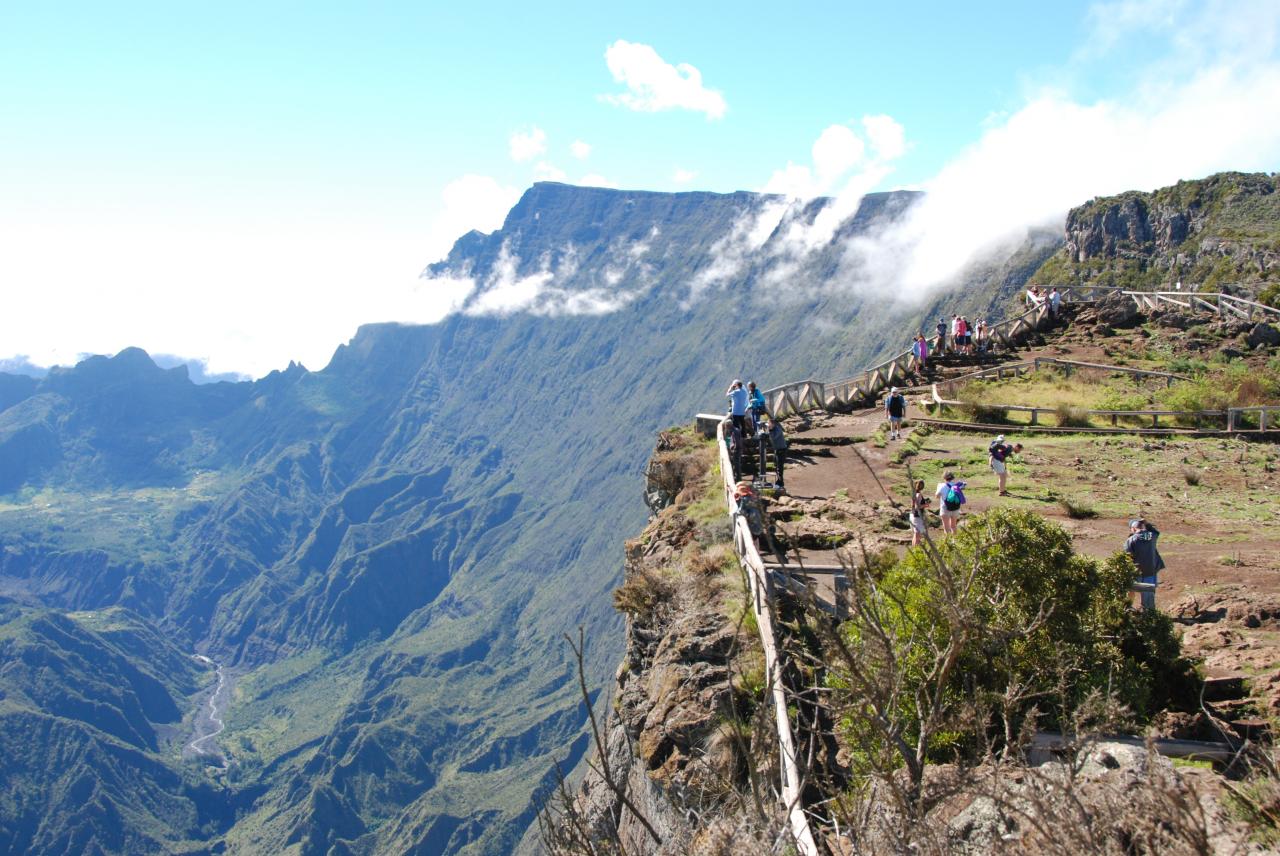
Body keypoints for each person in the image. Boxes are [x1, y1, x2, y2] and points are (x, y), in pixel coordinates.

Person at [1124, 518, 1164, 610]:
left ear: (1133, 529)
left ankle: (1127, 608)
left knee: (1130, 589)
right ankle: (1148, 613)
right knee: (1148, 594)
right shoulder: (1152, 536)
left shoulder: (1130, 540)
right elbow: (1156, 532)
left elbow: (1127, 557)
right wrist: (1147, 524)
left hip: (1136, 571)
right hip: (1150, 571)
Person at [764, 416, 787, 491]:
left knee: (779, 467)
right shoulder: (773, 429)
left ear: (773, 424)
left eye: (769, 423)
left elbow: (773, 438)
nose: (768, 425)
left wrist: (769, 430)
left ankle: (780, 483)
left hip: (781, 450)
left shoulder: (778, 429)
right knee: (776, 465)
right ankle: (778, 481)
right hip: (777, 449)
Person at [909, 479, 930, 547]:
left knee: (915, 536)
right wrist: (925, 505)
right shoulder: (919, 495)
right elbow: (916, 507)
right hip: (917, 517)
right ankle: (916, 550)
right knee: (917, 536)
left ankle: (914, 549)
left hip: (913, 515)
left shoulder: (914, 493)